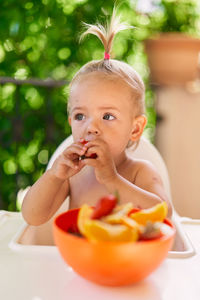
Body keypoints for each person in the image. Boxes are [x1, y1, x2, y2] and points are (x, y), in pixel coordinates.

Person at [22, 8, 172, 227]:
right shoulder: (72, 175)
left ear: (135, 129)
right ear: (71, 122)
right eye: (80, 115)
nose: (91, 127)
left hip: (130, 261)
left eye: (108, 116)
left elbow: (163, 214)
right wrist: (54, 176)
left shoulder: (140, 172)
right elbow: (32, 217)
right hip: (83, 260)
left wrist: (111, 179)